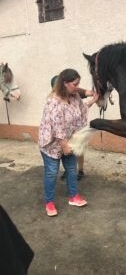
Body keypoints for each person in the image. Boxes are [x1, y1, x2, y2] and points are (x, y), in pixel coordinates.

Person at [39, 69, 98, 217]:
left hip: (69, 140)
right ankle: (49, 202)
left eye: (78, 84)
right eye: (75, 84)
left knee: (72, 169)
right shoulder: (54, 101)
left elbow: (80, 110)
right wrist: (64, 145)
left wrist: (92, 101)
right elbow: (57, 125)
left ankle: (73, 196)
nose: (77, 87)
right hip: (51, 143)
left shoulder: (75, 96)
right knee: (52, 173)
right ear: (65, 84)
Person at [51, 75, 93, 181]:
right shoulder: (55, 99)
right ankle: (69, 170)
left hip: (78, 126)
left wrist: (95, 94)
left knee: (79, 149)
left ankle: (81, 170)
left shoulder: (75, 92)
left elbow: (88, 93)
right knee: (67, 149)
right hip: (66, 130)